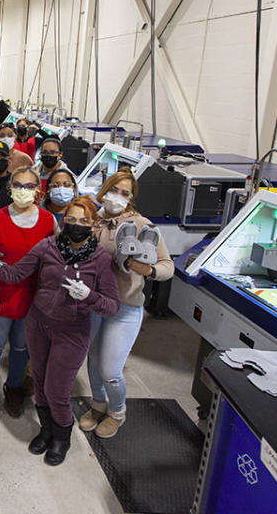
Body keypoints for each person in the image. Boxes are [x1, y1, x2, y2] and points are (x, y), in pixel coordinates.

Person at [0, 195, 120, 465]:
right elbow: (16, 273)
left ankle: (62, 438)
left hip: (72, 331)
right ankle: (46, 431)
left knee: (57, 389)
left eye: (84, 221)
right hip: (38, 324)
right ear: (63, 221)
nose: (76, 225)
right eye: (71, 219)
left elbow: (112, 306)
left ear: (94, 225)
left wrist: (89, 296)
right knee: (41, 383)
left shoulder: (100, 258)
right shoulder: (48, 247)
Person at [80, 169, 173, 438]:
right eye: (113, 190)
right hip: (94, 304)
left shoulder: (142, 225)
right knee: (94, 359)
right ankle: (98, 405)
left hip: (125, 307)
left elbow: (167, 265)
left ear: (131, 198)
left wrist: (149, 271)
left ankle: (117, 411)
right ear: (104, 189)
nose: (117, 197)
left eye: (125, 193)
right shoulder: (90, 218)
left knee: (110, 368)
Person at [0, 167, 56, 422]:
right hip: (1, 295)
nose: (23, 191)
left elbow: (56, 262)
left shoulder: (48, 221)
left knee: (22, 347)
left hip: (33, 298)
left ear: (38, 191)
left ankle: (14, 388)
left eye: (29, 186)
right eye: (18, 185)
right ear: (10, 189)